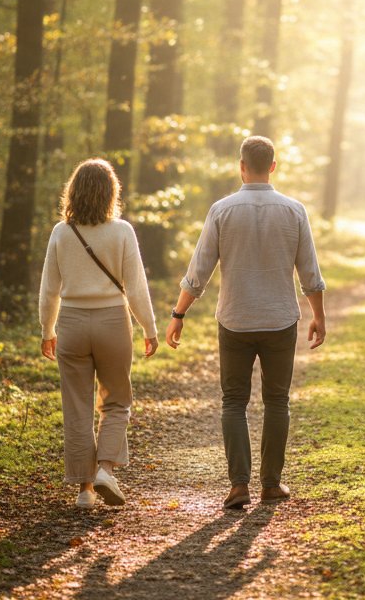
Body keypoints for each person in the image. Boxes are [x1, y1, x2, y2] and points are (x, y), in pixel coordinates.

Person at [166, 135, 326, 509]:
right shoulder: (294, 211)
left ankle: (239, 485)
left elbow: (199, 271)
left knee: (234, 402)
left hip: (235, 320)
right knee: (277, 401)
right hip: (280, 320)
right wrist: (318, 316)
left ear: (241, 166)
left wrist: (178, 314)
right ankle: (271, 484)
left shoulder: (221, 210)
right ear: (273, 166)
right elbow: (310, 273)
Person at [39, 158, 159, 509]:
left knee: (77, 406)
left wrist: (47, 330)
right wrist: (149, 328)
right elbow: (136, 288)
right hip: (112, 323)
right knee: (117, 399)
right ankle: (106, 468)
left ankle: (85, 490)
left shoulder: (61, 233)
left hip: (72, 324)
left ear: (73, 192)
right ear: (111, 193)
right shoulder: (122, 231)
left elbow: (49, 289)